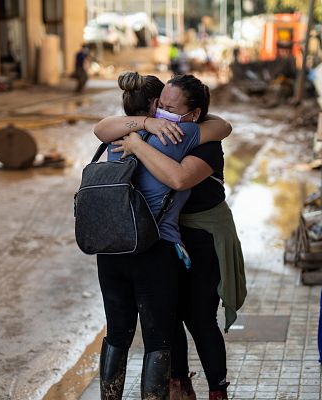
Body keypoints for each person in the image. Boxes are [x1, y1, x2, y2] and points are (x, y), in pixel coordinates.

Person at [93, 72, 232, 399]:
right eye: (163, 108)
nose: (165, 114)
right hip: (153, 251)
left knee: (117, 334)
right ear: (155, 106)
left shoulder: (117, 137)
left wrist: (139, 129)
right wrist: (150, 128)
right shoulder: (178, 133)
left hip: (111, 249)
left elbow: (100, 128)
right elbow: (223, 127)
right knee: (159, 339)